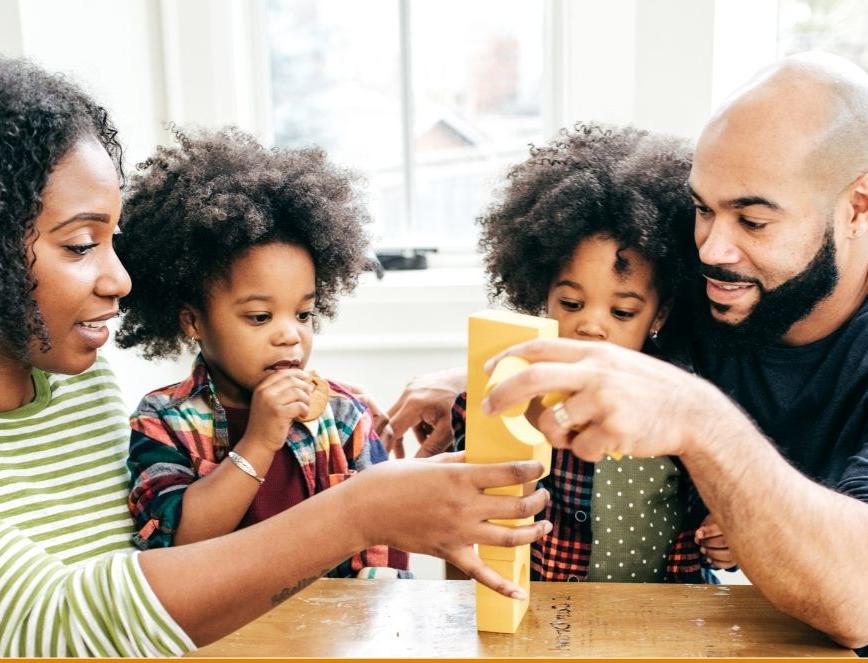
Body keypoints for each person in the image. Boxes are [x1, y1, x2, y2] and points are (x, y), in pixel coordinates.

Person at [0, 57, 552, 657]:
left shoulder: (77, 376)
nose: (120, 280)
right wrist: (359, 512)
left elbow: (131, 573)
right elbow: (55, 620)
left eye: (113, 240)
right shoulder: (158, 418)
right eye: (80, 244)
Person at [477, 53, 868, 649]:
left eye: (754, 221)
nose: (712, 248)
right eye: (702, 208)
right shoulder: (702, 284)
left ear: (858, 205)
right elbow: (600, 321)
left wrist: (700, 420)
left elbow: (859, 602)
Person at [114, 128, 407, 577]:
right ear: (193, 321)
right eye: (259, 317)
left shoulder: (347, 414)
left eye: (304, 314)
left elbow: (386, 543)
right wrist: (260, 439)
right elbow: (176, 544)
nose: (291, 335)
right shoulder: (161, 421)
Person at [449, 122, 720, 582]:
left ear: (659, 314)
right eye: (571, 304)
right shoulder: (507, 394)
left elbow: (714, 515)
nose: (591, 325)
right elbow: (469, 514)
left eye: (623, 312)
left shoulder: (684, 404)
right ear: (541, 293)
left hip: (661, 623)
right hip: (540, 625)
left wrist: (722, 537)